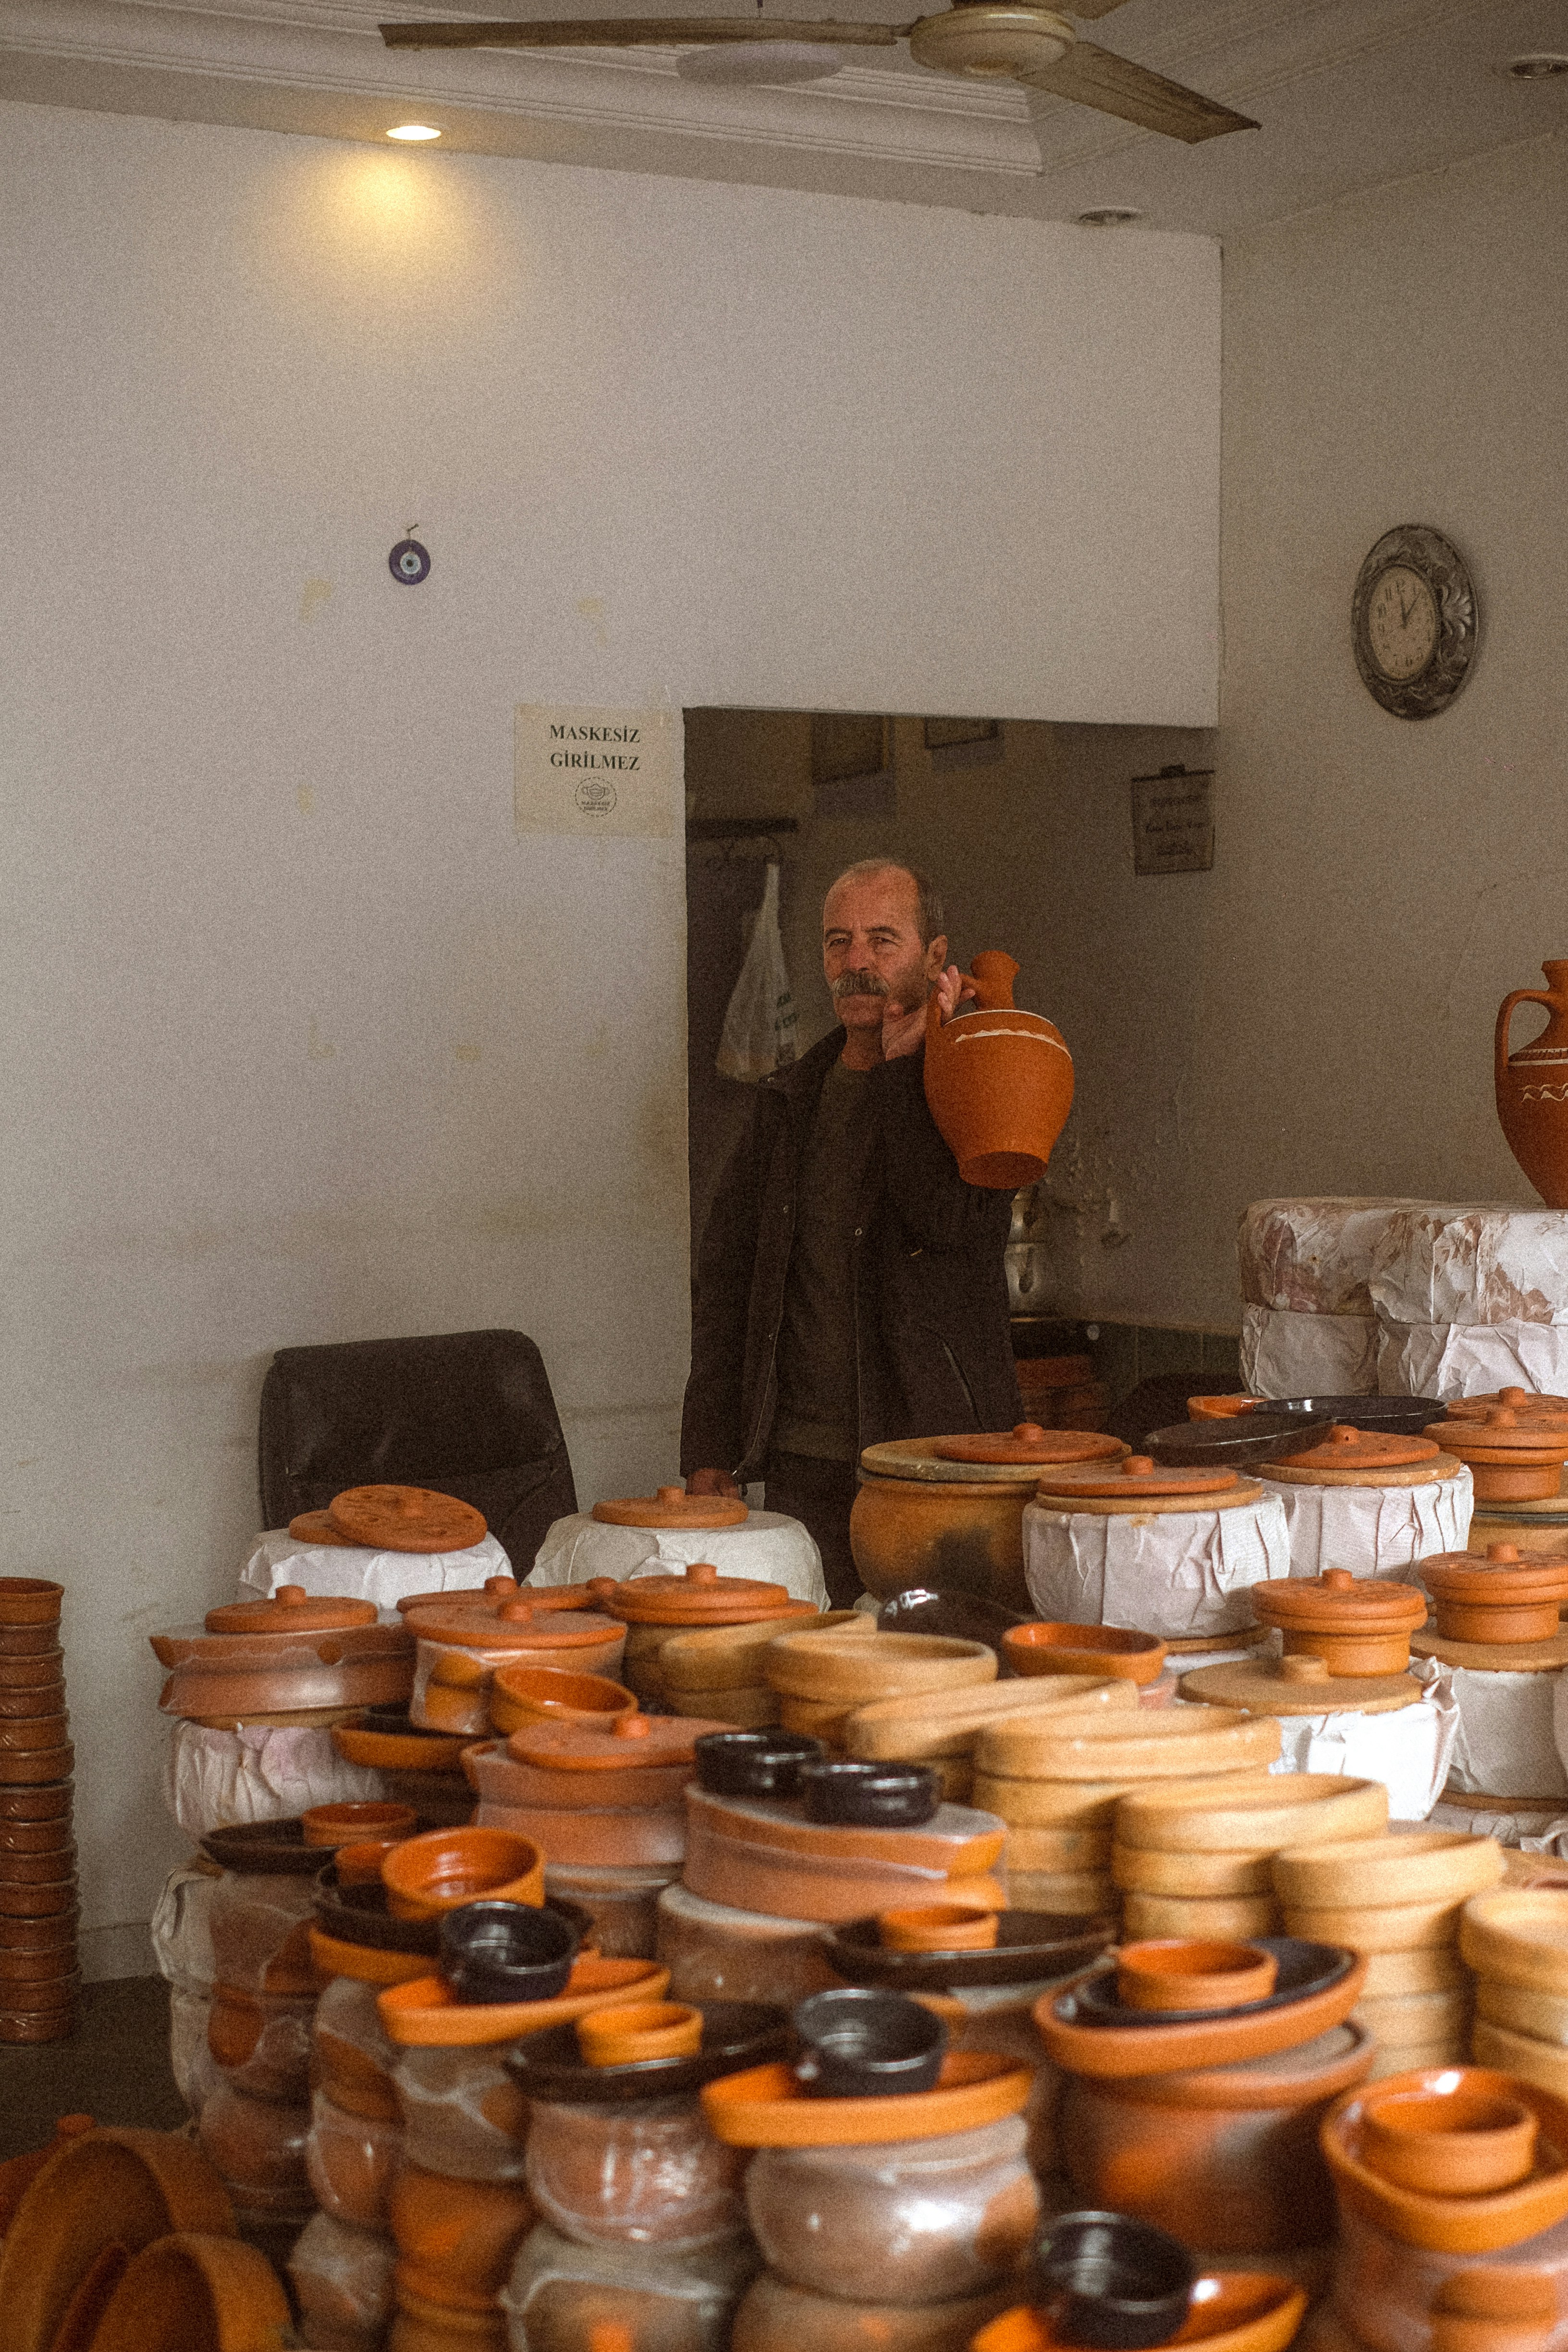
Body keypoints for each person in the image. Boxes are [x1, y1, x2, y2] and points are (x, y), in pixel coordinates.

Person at [681, 857, 1022, 1606]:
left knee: (932, 1671)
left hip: (936, 1459)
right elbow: (727, 1281)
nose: (856, 963)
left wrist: (908, 1070)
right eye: (839, 943)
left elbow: (951, 1228)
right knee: (815, 1665)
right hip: (804, 1461)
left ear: (936, 957)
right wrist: (709, 1448)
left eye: (881, 940)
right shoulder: (789, 1099)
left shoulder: (983, 1079)